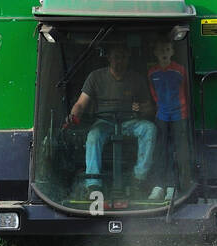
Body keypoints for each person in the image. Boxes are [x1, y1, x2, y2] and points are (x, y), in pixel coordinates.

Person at [67, 43, 156, 195]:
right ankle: (93, 183)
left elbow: (150, 108)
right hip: (105, 122)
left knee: (149, 129)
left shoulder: (136, 79)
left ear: (128, 58)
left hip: (130, 121)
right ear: (108, 58)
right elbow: (81, 104)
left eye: (122, 57)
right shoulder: (95, 77)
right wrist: (73, 117)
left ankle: (139, 178)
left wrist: (141, 108)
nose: (119, 61)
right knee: (93, 136)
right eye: (116, 57)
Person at [146, 38, 190, 203]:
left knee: (177, 150)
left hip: (180, 116)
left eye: (167, 50)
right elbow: (154, 95)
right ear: (155, 53)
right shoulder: (152, 72)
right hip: (162, 115)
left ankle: (173, 186)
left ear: (172, 52)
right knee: (160, 151)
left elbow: (186, 91)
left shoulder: (180, 70)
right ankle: (159, 186)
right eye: (160, 50)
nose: (164, 53)